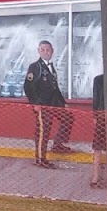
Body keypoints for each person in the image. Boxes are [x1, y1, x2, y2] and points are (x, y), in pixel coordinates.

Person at [23, 40, 73, 169]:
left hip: (54, 103)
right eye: (43, 50)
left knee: (68, 117)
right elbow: (28, 87)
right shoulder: (35, 67)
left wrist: (63, 103)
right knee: (43, 131)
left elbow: (55, 88)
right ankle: (40, 158)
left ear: (52, 51)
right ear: (39, 51)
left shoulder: (51, 67)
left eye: (48, 50)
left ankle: (57, 145)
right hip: (42, 105)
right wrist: (35, 103)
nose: (46, 52)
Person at [90, 73, 107, 188]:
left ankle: (95, 177)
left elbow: (96, 99)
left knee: (98, 147)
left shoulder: (99, 79)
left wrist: (95, 115)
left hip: (102, 115)